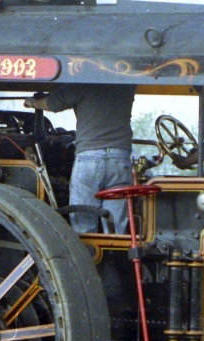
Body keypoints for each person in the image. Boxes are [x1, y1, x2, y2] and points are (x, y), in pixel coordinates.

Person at [25, 84, 135, 234]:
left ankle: (86, 249)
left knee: (83, 224)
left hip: (89, 158)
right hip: (120, 158)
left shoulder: (84, 81)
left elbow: (53, 103)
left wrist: (33, 102)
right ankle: (116, 248)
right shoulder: (126, 84)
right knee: (116, 226)